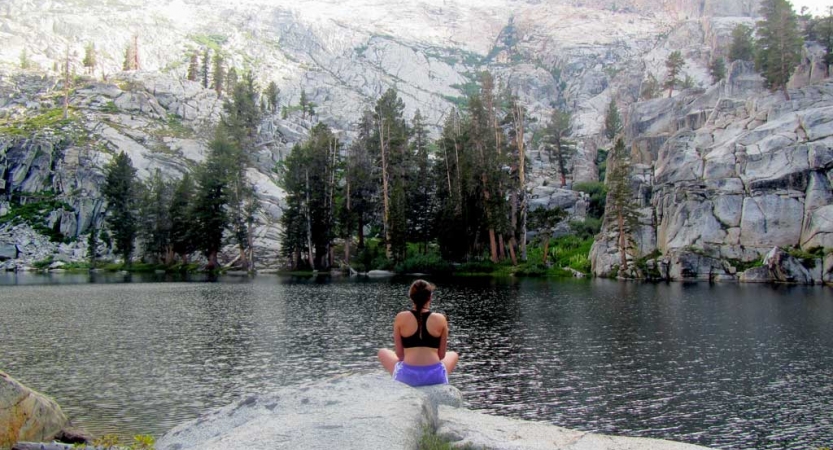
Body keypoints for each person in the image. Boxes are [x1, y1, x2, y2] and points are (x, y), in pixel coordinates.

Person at [378, 279, 459, 386]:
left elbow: (400, 355)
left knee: (382, 352)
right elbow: (441, 355)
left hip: (407, 377)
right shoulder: (440, 318)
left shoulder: (401, 317)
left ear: (411, 297)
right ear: (430, 297)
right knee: (453, 354)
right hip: (435, 377)